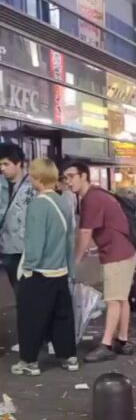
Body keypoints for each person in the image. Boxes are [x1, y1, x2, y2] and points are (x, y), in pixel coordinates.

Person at [64, 161, 136, 361]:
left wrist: (75, 261)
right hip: (124, 251)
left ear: (84, 176)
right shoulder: (97, 194)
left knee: (113, 299)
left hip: (117, 254)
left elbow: (85, 233)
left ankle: (106, 344)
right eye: (65, 177)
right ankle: (123, 340)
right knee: (121, 297)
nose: (68, 181)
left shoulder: (91, 199)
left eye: (71, 176)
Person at [11, 159, 77, 377]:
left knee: (31, 318)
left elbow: (35, 243)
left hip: (40, 272)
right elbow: (69, 240)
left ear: (38, 178)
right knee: (62, 317)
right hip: (60, 270)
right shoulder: (63, 202)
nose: (29, 178)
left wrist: (28, 268)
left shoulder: (39, 205)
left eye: (31, 174)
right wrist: (71, 270)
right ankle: (69, 357)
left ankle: (29, 362)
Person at [0, 143, 35, 295]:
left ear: (18, 163)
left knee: (29, 293)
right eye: (0, 164)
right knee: (18, 291)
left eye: (6, 164)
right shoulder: (1, 184)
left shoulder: (33, 185)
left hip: (27, 250)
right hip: (7, 248)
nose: (2, 168)